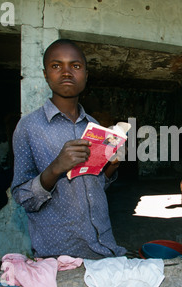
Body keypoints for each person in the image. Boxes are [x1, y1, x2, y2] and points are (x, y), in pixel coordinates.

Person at [11, 39, 126, 260]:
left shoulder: (94, 126)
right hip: (61, 254)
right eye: (56, 66)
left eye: (75, 66)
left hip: (105, 246)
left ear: (86, 74)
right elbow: (23, 198)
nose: (66, 73)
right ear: (46, 75)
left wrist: (111, 166)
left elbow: (94, 186)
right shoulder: (29, 127)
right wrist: (55, 168)